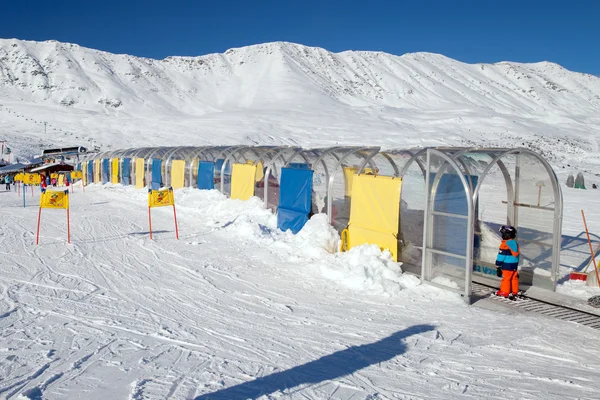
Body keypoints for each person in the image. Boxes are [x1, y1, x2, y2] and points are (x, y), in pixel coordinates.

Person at [495, 225, 520, 299]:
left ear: (505, 235)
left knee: (506, 278)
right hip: (514, 265)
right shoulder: (515, 243)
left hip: (507, 265)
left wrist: (498, 264)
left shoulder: (504, 245)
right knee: (514, 278)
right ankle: (514, 291)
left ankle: (505, 292)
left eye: (502, 234)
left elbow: (501, 256)